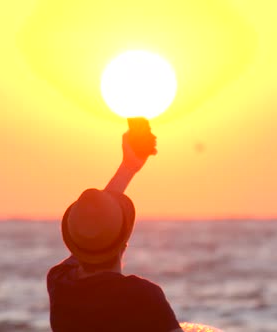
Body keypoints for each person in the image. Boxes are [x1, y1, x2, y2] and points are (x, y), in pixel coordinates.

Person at [47, 120, 183, 332]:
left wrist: (128, 167)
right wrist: (128, 167)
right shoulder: (144, 296)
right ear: (124, 243)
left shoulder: (60, 285)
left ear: (74, 242)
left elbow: (92, 228)